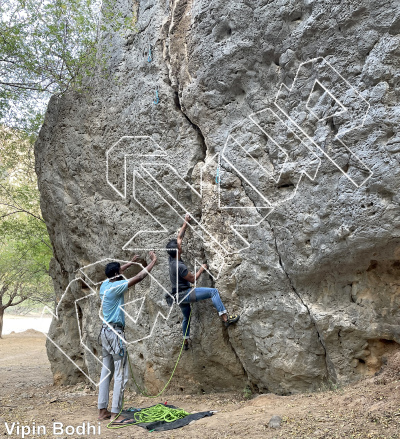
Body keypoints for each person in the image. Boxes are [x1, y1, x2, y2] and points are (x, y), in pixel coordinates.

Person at [97, 252, 157, 424]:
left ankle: (102, 411)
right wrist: (153, 262)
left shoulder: (104, 285)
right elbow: (139, 277)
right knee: (120, 374)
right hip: (115, 334)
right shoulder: (117, 287)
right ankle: (116, 414)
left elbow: (116, 273)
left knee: (105, 373)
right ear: (117, 275)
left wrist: (129, 263)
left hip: (104, 333)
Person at [166, 214, 239, 350]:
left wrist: (185, 222)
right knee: (213, 292)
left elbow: (179, 237)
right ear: (177, 250)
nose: (180, 245)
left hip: (178, 297)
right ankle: (225, 319)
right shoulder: (179, 266)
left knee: (187, 317)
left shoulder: (171, 259)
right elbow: (193, 279)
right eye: (179, 246)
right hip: (185, 294)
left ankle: (185, 342)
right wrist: (202, 269)